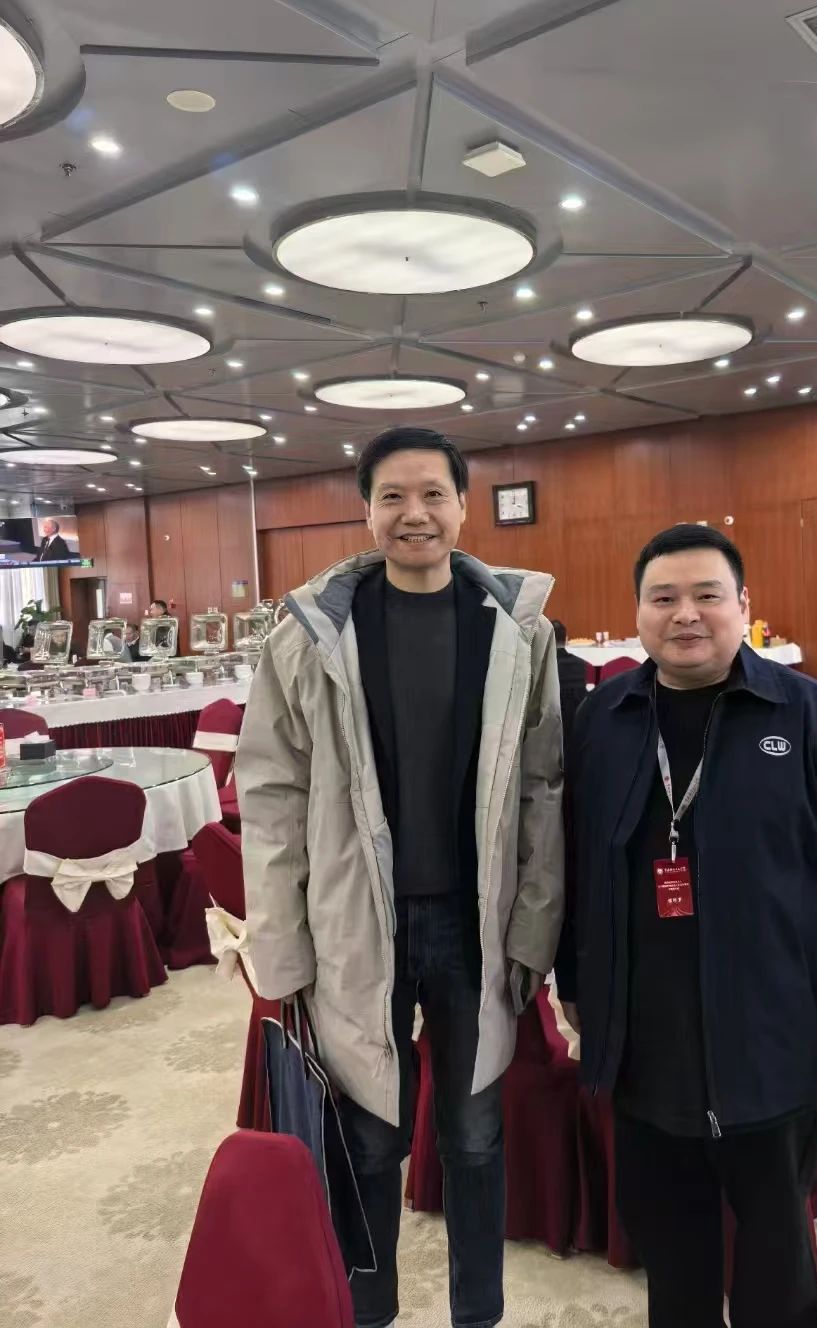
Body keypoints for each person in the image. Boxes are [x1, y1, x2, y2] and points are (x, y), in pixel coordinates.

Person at [237, 425, 564, 1328]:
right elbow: (269, 794)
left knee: (476, 1136)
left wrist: (535, 926)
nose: (414, 514)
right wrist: (280, 945)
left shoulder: (518, 631)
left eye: (432, 495)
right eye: (393, 496)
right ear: (367, 511)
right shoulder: (310, 635)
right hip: (354, 920)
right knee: (369, 1139)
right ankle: (368, 1310)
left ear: (463, 506)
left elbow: (545, 787)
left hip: (476, 921)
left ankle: (477, 1314)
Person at [557, 524, 817, 1328]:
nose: (685, 614)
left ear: (744, 605)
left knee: (776, 1253)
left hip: (772, 1035)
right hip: (643, 1041)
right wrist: (576, 983)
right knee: (670, 1253)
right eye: (664, 598)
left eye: (707, 595)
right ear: (638, 611)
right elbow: (577, 864)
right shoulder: (604, 718)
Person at [551, 618, 589, 757]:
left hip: (552, 730)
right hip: (577, 728)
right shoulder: (580, 664)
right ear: (566, 639)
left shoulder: (544, 666)